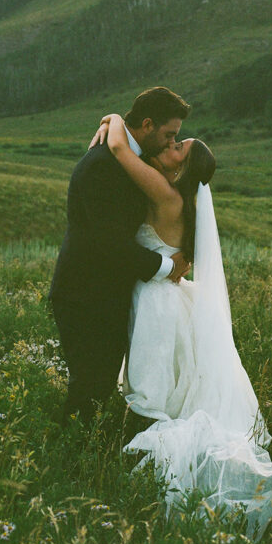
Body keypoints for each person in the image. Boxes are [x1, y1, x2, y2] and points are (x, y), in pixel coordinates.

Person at [92, 112, 272, 540]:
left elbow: (121, 149)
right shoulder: (180, 199)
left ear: (180, 168)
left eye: (177, 147)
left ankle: (133, 470)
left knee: (152, 393)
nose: (169, 147)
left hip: (157, 301)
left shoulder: (166, 193)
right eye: (173, 141)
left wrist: (113, 119)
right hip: (167, 292)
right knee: (166, 386)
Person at [49, 86, 192, 423]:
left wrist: (112, 119)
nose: (172, 143)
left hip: (105, 292)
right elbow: (108, 242)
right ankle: (71, 454)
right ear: (147, 124)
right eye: (169, 134)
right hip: (84, 293)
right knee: (90, 383)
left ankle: (83, 449)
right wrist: (165, 265)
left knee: (99, 383)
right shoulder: (104, 163)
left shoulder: (123, 154)